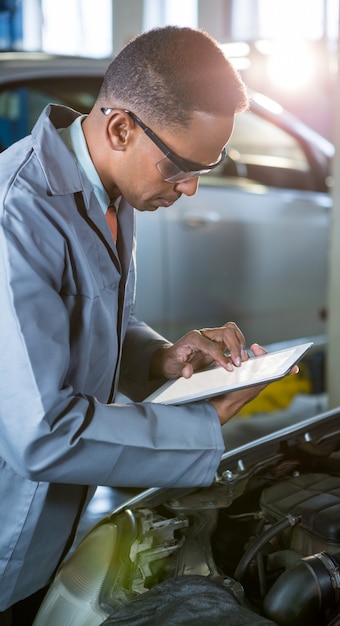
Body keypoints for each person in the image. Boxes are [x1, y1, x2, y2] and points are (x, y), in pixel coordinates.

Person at [0, 26, 292, 622]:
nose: (189, 188)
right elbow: (41, 433)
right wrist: (201, 427)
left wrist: (161, 359)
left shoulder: (108, 193)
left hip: (45, 539)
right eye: (181, 165)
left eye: (208, 166)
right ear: (120, 128)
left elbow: (94, 325)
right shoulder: (17, 216)